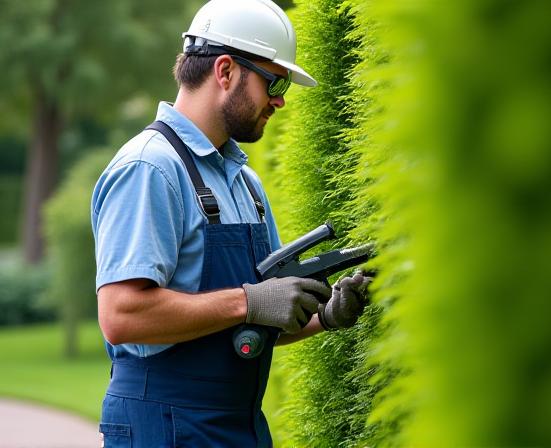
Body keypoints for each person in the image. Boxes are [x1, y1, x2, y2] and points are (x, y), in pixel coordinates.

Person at [91, 0, 369, 446]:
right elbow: (122, 315)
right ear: (225, 71)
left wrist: (323, 316)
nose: (279, 99)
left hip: (237, 425)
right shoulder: (151, 168)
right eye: (274, 80)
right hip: (161, 425)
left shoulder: (245, 182)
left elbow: (250, 323)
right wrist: (249, 301)